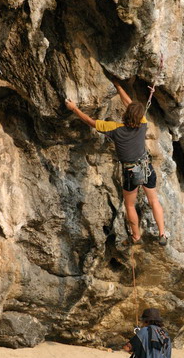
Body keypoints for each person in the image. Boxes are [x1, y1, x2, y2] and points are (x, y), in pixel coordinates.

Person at [65, 81, 167, 246]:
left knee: (129, 204)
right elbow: (130, 104)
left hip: (130, 172)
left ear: (126, 115)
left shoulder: (115, 129)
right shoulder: (142, 124)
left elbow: (91, 122)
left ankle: (136, 237)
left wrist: (74, 108)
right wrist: (119, 88)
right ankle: (162, 234)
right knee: (154, 200)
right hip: (145, 166)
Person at [60, 307, 172, 358]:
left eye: (143, 321)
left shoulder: (145, 331)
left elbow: (127, 348)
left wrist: (137, 335)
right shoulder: (166, 335)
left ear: (147, 321)